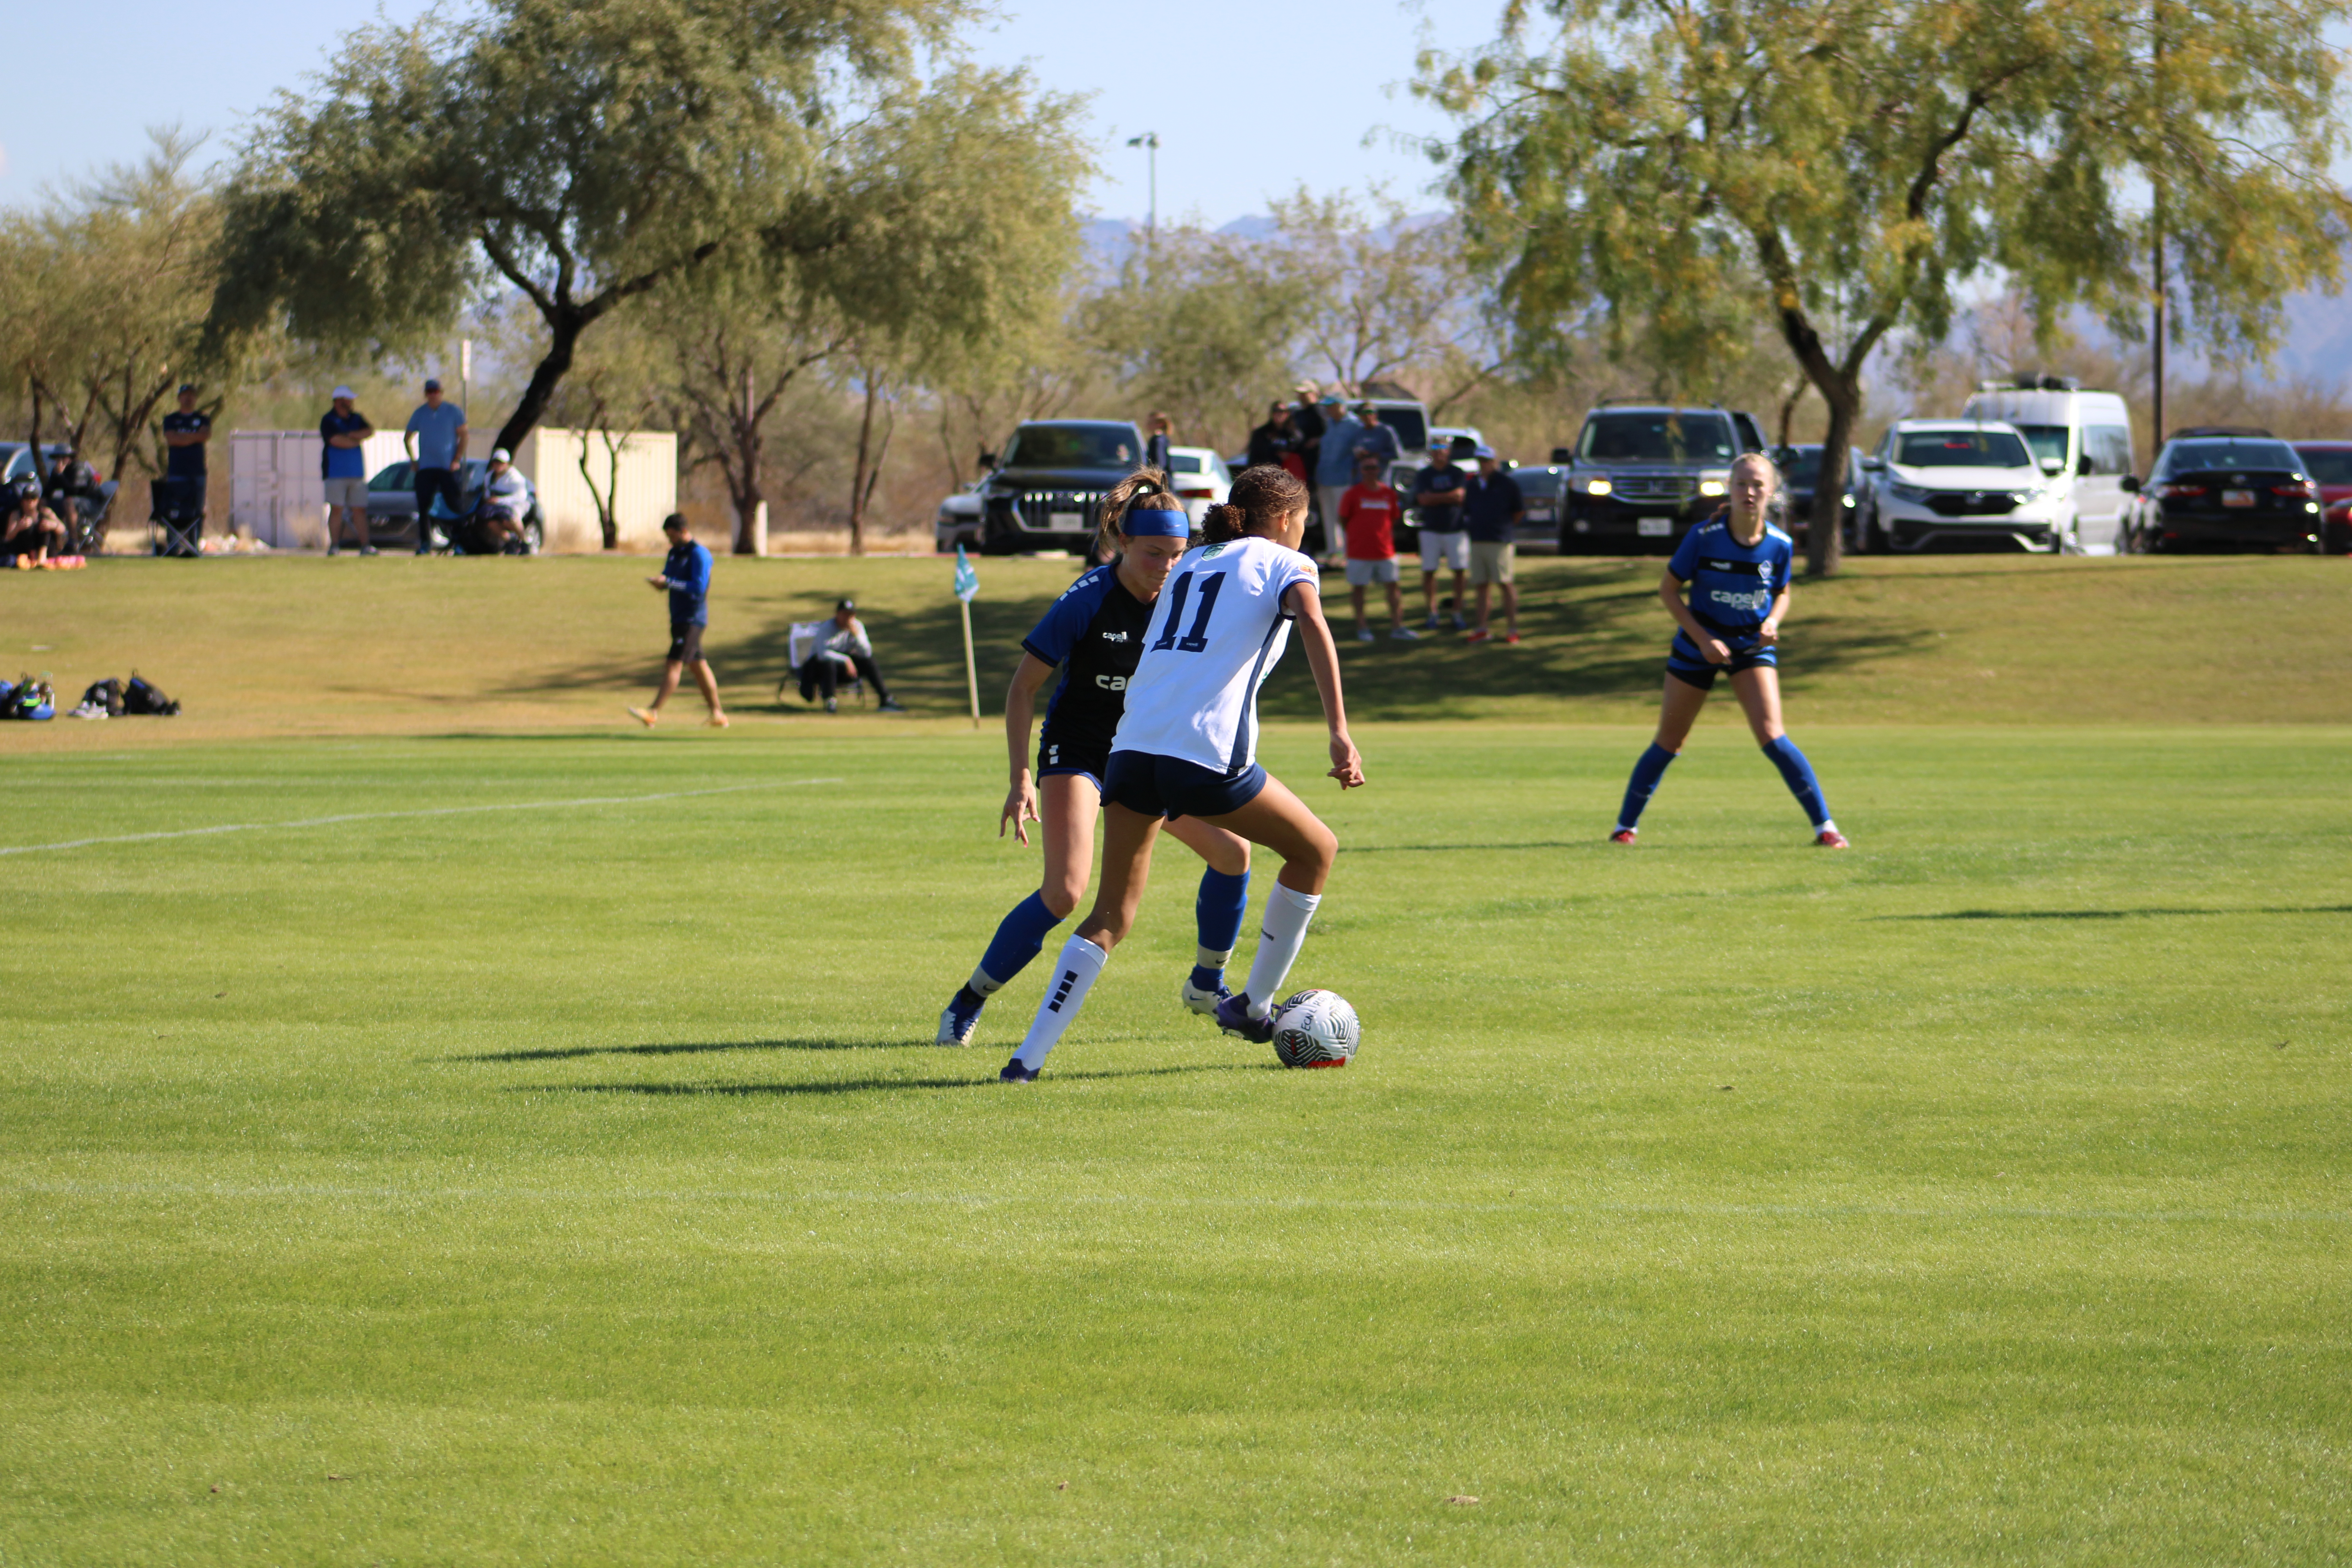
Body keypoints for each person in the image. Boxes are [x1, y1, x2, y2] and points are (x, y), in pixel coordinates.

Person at [997, 463, 1365, 1083]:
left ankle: (1025, 1061)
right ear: (1284, 521)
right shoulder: (1287, 564)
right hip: (1205, 756)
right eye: (1304, 522)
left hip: (1131, 751)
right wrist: (1339, 730)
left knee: (1110, 916)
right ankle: (1252, 1005)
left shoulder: (1191, 563)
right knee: (1315, 851)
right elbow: (1314, 624)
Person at [938, 475, 1256, 1046]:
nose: (1166, 566)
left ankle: (1208, 984)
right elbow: (1022, 689)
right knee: (1064, 892)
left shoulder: (1185, 596)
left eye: (1178, 555)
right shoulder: (1087, 599)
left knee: (1233, 853)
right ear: (1122, 544)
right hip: (1080, 752)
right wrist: (1021, 779)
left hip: (1150, 752)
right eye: (1153, 553)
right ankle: (969, 1000)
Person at [1610, 452, 1847, 849]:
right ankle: (1625, 827)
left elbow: (1783, 592)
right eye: (1742, 484)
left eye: (1758, 485)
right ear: (1729, 488)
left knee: (1773, 734)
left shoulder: (1781, 545)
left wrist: (1773, 621)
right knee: (1671, 740)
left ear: (1771, 491)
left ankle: (1825, 827)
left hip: (1750, 646)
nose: (1749, 492)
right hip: (1697, 644)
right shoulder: (1704, 538)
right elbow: (1668, 591)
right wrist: (1703, 639)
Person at [627, 513, 728, 729]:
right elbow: (669, 577)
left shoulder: (699, 554)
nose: (670, 541)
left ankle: (653, 712)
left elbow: (698, 587)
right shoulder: (674, 553)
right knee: (698, 665)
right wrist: (661, 582)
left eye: (672, 536)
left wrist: (670, 584)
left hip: (693, 618)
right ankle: (718, 714)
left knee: (673, 664)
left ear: (684, 531)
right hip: (678, 617)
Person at [1338, 448, 1416, 642]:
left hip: (1385, 551)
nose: (1371, 471)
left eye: (1374, 468)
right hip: (1359, 552)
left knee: (1393, 588)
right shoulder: (1353, 494)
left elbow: (1394, 518)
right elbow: (1343, 519)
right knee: (1359, 590)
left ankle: (1398, 626)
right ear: (1361, 471)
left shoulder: (1388, 493)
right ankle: (1362, 627)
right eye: (1367, 468)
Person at [797, 598, 906, 713]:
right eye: (844, 614)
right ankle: (830, 701)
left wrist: (857, 636)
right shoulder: (827, 628)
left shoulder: (857, 626)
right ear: (837, 615)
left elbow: (867, 653)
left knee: (869, 662)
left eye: (850, 615)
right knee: (829, 664)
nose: (847, 618)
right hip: (821, 670)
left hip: (846, 670)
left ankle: (886, 700)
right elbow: (822, 655)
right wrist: (846, 660)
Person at [1461, 445, 1524, 644]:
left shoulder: (1507, 484)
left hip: (1499, 540)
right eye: (1480, 461)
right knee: (1481, 586)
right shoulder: (1472, 485)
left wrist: (1503, 527)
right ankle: (1481, 628)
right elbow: (1468, 510)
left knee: (1505, 584)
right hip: (1478, 539)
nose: (1484, 465)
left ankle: (1512, 629)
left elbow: (1518, 511)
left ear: (1494, 462)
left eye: (1487, 461)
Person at [1411, 435, 1475, 630]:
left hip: (1455, 529)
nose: (1439, 451)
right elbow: (1423, 500)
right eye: (1436, 447)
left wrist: (1435, 497)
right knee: (1430, 571)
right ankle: (1432, 613)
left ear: (1449, 451)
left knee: (1459, 571)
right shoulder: (1424, 475)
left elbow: (1460, 496)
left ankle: (1457, 613)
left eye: (1443, 447)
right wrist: (1448, 497)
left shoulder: (1457, 473)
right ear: (1431, 451)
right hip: (1431, 529)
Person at [403, 378, 468, 554]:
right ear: (426, 394)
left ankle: (459, 543)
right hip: (426, 468)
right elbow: (407, 438)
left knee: (454, 505)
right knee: (424, 506)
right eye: (430, 392)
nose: (433, 395)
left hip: (448, 468)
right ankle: (425, 544)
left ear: (441, 392)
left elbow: (464, 435)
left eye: (436, 391)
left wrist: (457, 459)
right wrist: (413, 460)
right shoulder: (420, 413)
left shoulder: (453, 411)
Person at [319, 387, 375, 555]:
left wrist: (351, 435)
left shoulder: (357, 418)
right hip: (335, 473)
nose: (351, 403)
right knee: (337, 509)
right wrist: (354, 441)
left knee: (360, 510)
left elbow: (369, 431)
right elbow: (336, 440)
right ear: (339, 401)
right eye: (348, 399)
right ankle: (335, 546)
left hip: (357, 473)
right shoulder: (328, 420)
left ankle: (366, 546)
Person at [1311, 394, 1361, 554]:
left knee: (1344, 516)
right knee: (1329, 517)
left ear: (1341, 406)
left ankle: (1349, 551)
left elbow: (1358, 451)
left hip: (1344, 478)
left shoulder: (1354, 425)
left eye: (1331, 406)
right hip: (1325, 476)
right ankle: (1333, 550)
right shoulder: (1330, 424)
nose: (1328, 410)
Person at [160, 383, 211, 530]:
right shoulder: (171, 419)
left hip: (198, 472)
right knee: (175, 509)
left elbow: (205, 435)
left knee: (198, 510)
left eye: (191, 395)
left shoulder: (202, 419)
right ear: (179, 398)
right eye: (185, 395)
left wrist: (182, 438)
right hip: (177, 472)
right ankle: (174, 546)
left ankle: (194, 545)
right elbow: (172, 439)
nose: (188, 398)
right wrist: (194, 437)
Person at [476, 448, 533, 551]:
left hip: (516, 504)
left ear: (507, 464)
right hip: (498, 506)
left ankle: (525, 542)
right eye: (496, 462)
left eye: (501, 463)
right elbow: (487, 492)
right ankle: (510, 543)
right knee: (492, 523)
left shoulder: (514, 477)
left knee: (512, 519)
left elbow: (521, 497)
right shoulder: (489, 477)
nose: (498, 465)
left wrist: (500, 500)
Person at [2, 477, 68, 564]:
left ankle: (42, 556)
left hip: (46, 549)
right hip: (25, 550)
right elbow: (8, 538)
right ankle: (34, 556)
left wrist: (53, 525)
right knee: (28, 528)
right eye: (27, 498)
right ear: (22, 501)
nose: (30, 501)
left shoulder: (46, 512)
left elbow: (63, 529)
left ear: (38, 500)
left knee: (45, 526)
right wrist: (19, 527)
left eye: (33, 498)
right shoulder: (16, 514)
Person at [1246, 403, 1297, 472]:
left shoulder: (1293, 434)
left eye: (1283, 411)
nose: (1279, 414)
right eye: (1276, 411)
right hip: (1266, 472)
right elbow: (1254, 455)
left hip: (1288, 473)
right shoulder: (1261, 433)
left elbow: (1299, 450)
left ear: (1287, 414)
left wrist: (1288, 454)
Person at [1144, 411, 1174, 475]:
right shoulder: (1164, 439)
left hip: (1159, 480)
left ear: (1160, 424)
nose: (1148, 425)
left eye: (1151, 423)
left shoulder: (1158, 441)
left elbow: (1159, 464)